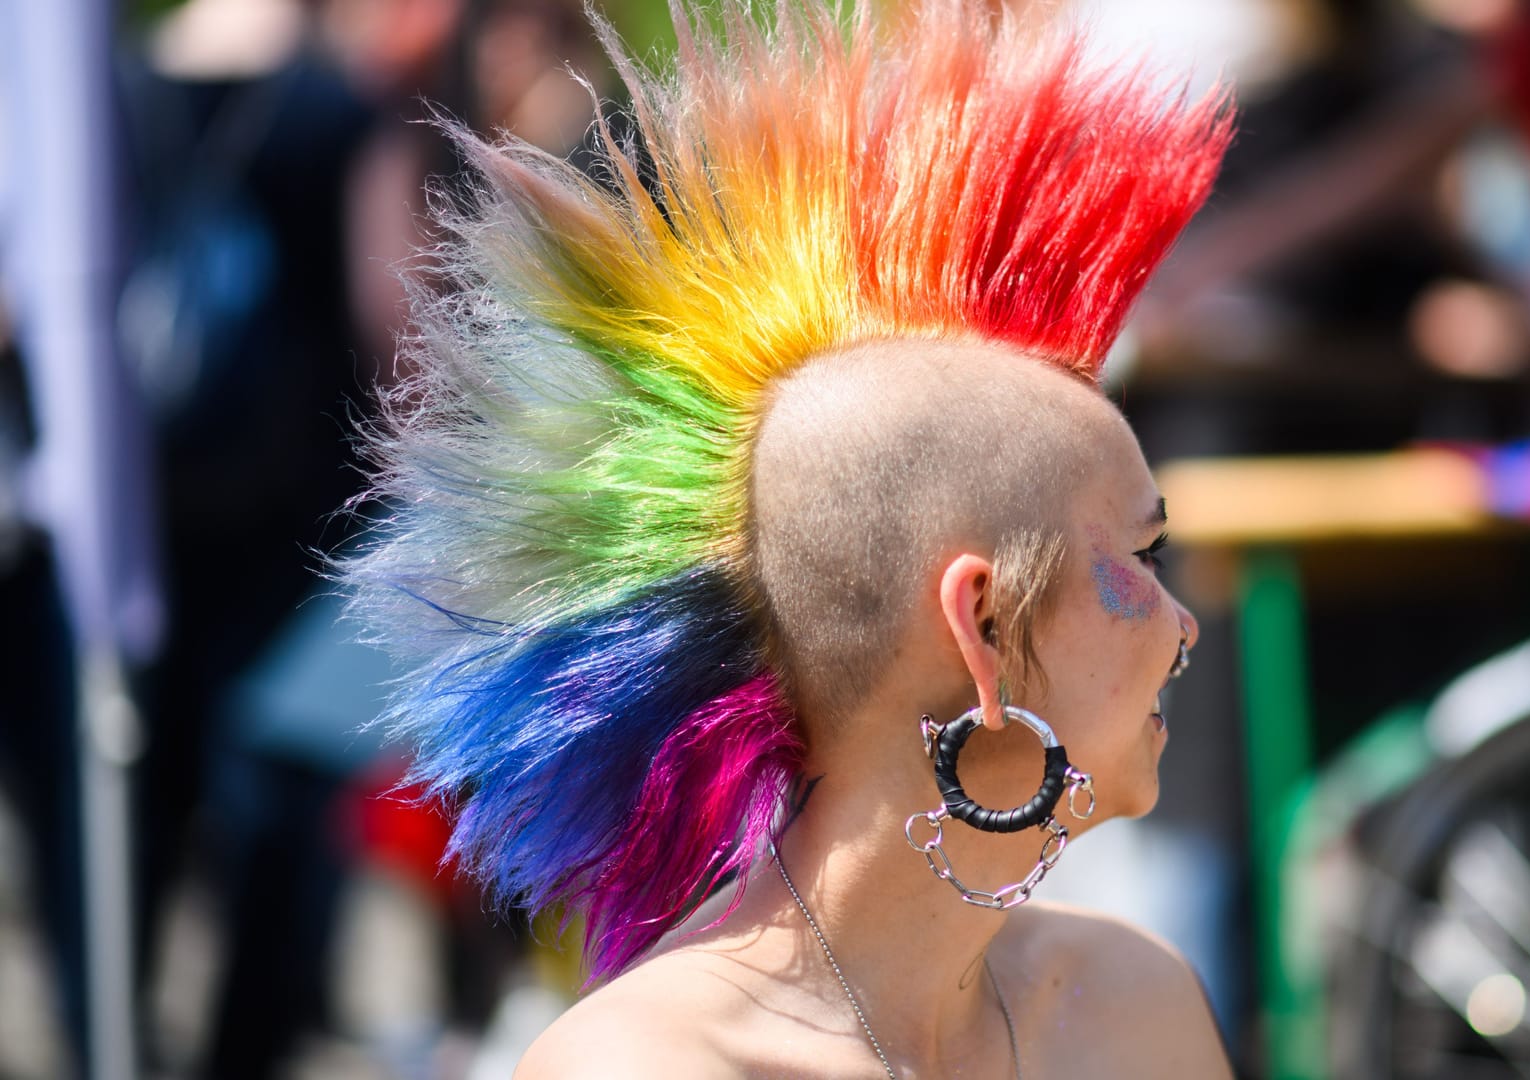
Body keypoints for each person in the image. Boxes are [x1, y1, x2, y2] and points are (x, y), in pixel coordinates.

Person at [337, 1, 1236, 1075]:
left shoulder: (1137, 1005)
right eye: (1138, 561)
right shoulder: (647, 1066)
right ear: (982, 626)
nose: (1183, 626)